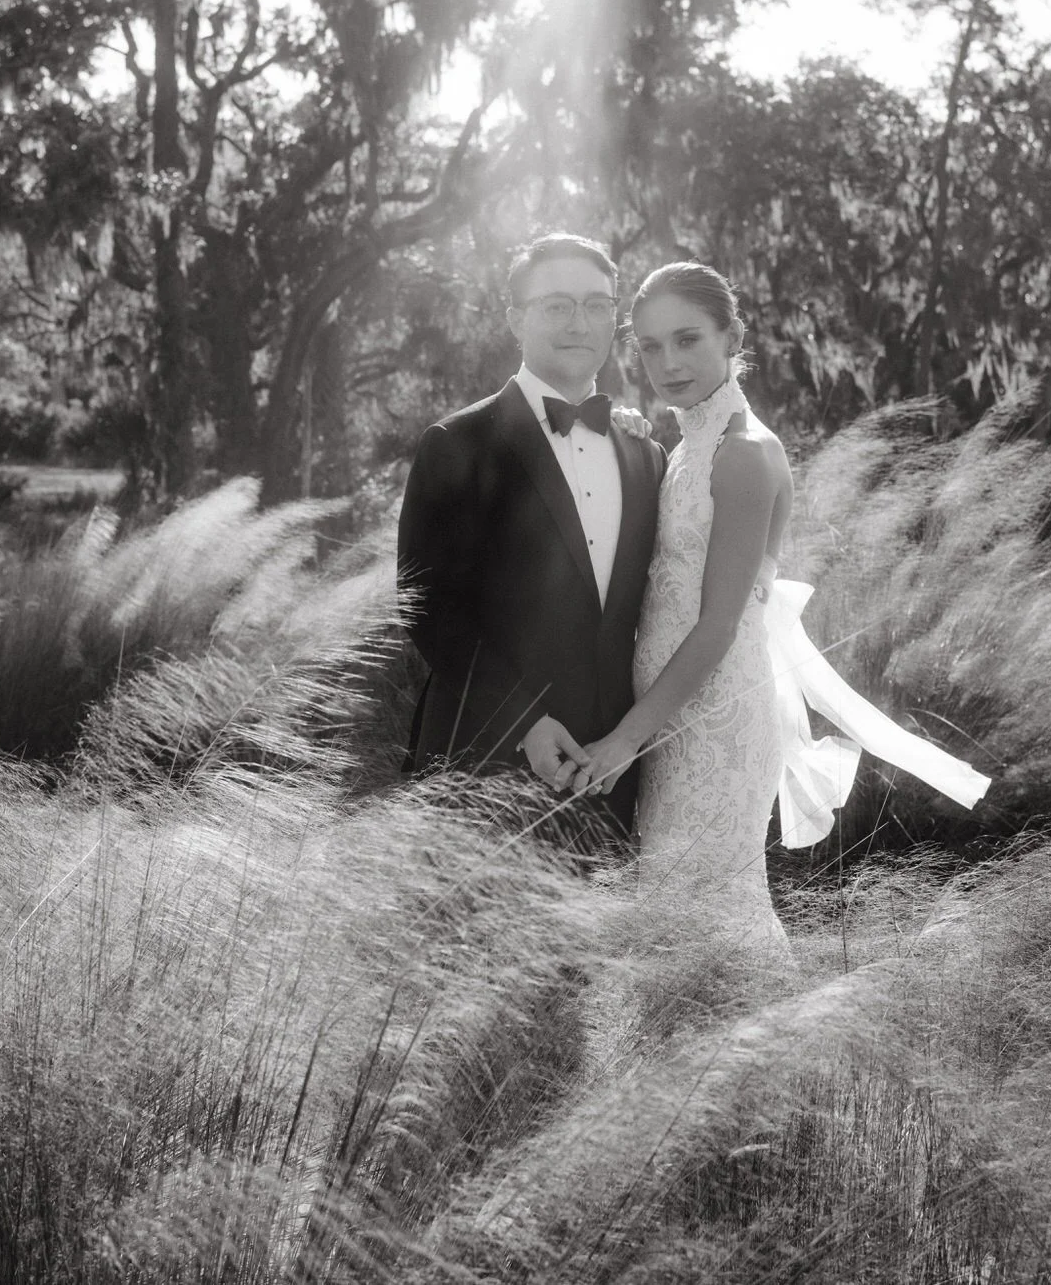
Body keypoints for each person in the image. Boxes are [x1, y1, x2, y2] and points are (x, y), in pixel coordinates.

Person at [574, 263, 990, 945]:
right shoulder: (689, 444)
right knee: (676, 915)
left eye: (687, 340)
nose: (667, 362)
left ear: (731, 336)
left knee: (712, 911)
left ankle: (759, 1038)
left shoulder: (743, 452)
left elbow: (718, 625)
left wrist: (626, 736)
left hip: (712, 719)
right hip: (668, 717)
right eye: (649, 346)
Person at [396, 233, 666, 860]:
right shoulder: (456, 442)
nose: (581, 323)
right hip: (485, 762)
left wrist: (625, 740)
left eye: (598, 305)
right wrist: (524, 724)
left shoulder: (644, 455)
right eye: (557, 305)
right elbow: (429, 607)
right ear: (515, 318)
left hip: (609, 771)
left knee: (600, 957)